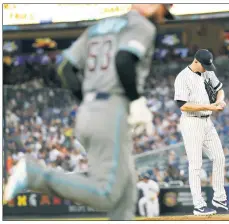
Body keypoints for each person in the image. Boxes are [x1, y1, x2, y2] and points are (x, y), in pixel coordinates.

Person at [4, 4, 174, 220]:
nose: (162, 17)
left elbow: (64, 67)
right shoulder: (140, 25)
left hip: (89, 111)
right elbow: (123, 59)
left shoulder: (97, 27)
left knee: (126, 189)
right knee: (107, 194)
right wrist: (136, 100)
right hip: (112, 107)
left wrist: (89, 102)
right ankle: (35, 175)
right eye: (163, 8)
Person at [174, 49, 229, 216]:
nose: (207, 68)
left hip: (207, 121)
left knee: (219, 157)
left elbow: (220, 90)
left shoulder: (207, 73)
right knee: (195, 164)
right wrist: (209, 106)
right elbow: (182, 105)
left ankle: (219, 198)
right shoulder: (182, 77)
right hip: (191, 121)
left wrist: (219, 101)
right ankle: (198, 205)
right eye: (205, 65)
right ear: (196, 61)